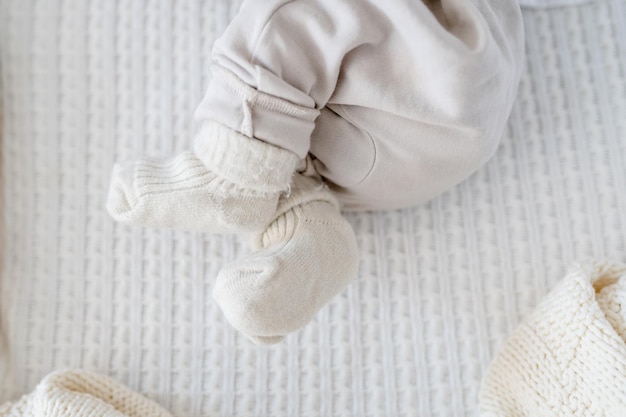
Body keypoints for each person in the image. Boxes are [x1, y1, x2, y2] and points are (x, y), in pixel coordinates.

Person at [106, 0, 524, 344]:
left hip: (426, 63)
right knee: (292, 126)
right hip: (443, 125)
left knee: (288, 28)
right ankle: (309, 230)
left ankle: (235, 174)